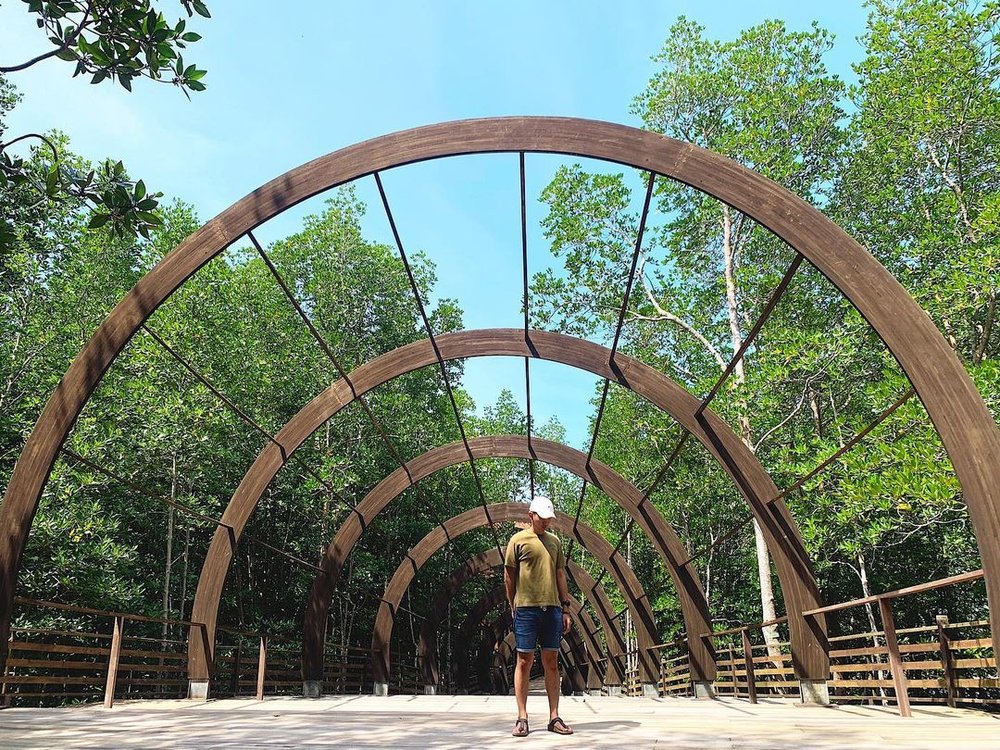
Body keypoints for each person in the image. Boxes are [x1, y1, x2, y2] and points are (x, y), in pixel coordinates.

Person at [504, 495, 574, 737]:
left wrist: (565, 608)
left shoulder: (554, 542)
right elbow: (509, 575)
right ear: (530, 515)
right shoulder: (517, 541)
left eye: (549, 519)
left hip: (552, 609)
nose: (546, 523)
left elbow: (560, 575)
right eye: (542, 518)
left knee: (552, 662)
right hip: (526, 609)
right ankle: (522, 717)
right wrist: (513, 604)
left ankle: (554, 717)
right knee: (524, 661)